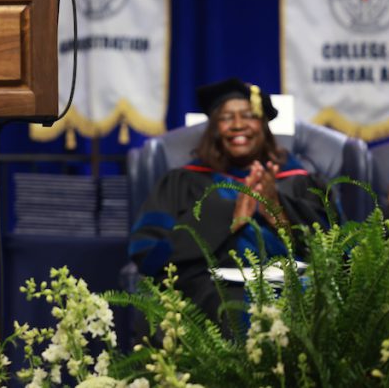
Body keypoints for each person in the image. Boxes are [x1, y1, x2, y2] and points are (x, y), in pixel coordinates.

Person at [128, 78, 330, 323]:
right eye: (226, 118)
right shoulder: (181, 183)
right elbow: (147, 253)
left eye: (248, 115)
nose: (237, 125)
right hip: (213, 295)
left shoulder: (301, 183)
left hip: (295, 288)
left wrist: (279, 212)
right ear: (214, 129)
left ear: (264, 126)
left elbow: (340, 254)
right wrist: (226, 219)